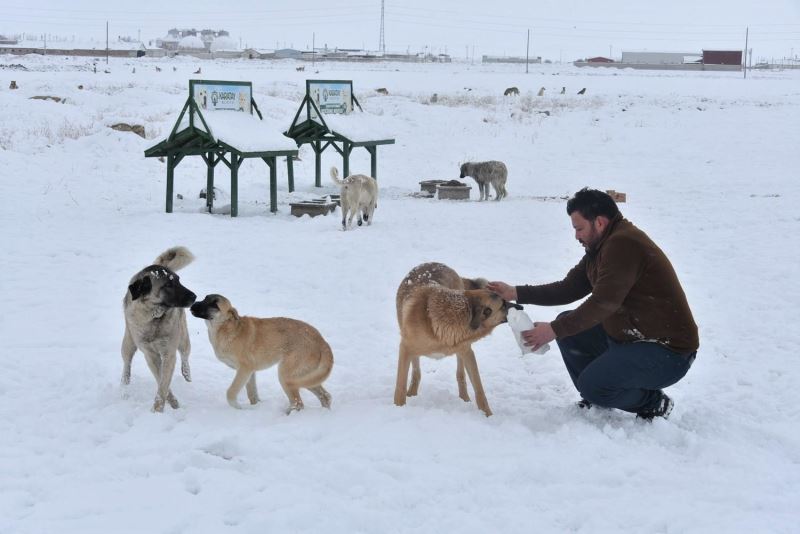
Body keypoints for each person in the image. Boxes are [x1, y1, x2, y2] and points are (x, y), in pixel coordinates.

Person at [488, 188, 698, 420]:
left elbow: (603, 303)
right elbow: (568, 288)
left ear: (599, 222)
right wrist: (515, 292)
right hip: (631, 336)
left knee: (589, 378)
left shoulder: (624, 244)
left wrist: (552, 330)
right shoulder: (601, 247)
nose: (576, 236)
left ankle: (654, 403)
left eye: (579, 228)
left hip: (668, 352)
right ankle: (598, 394)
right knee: (568, 329)